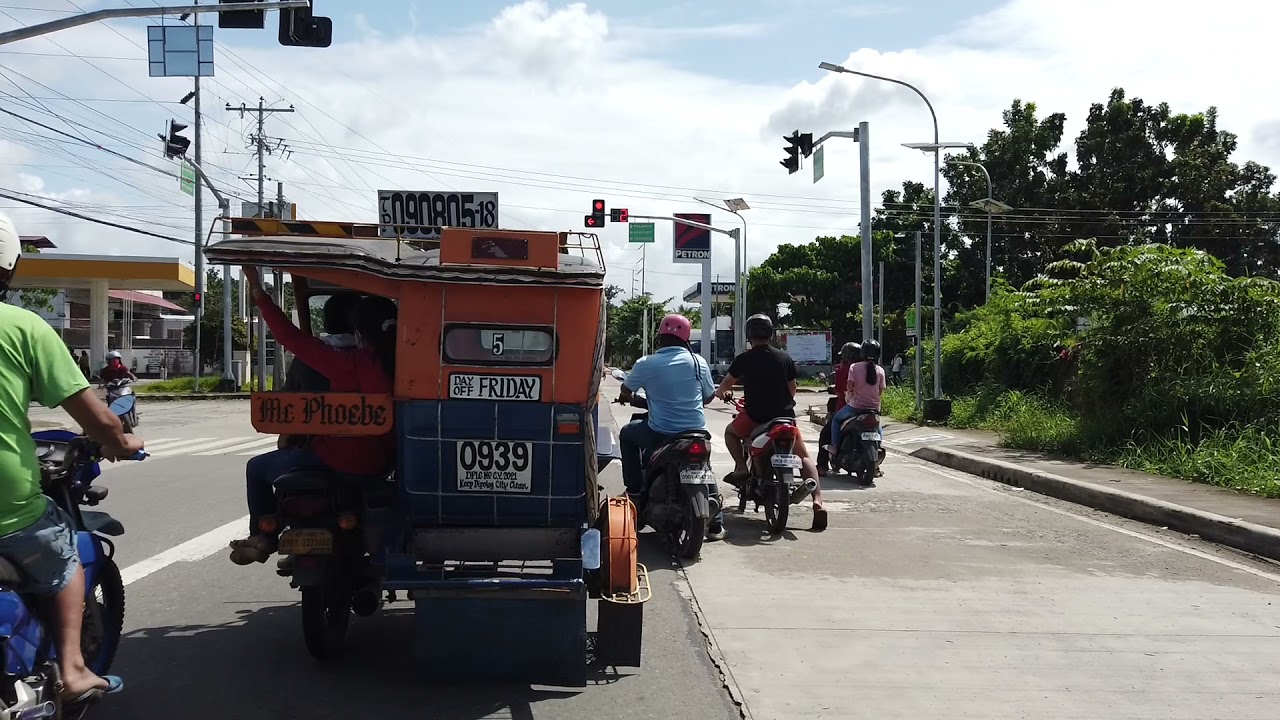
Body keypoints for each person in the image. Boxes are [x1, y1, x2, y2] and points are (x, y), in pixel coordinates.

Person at [0, 215, 142, 705]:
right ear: (10, 268)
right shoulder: (23, 327)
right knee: (63, 552)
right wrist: (122, 442)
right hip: (8, 508)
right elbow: (96, 417)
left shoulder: (113, 366)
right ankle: (75, 669)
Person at [229, 268, 398, 565]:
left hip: (328, 459)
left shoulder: (345, 362)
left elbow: (288, 336)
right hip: (380, 465)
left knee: (256, 468)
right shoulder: (407, 367)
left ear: (358, 332)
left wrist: (258, 290)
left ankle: (261, 536)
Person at [617, 314, 725, 541]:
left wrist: (629, 397)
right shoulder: (699, 362)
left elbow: (626, 391)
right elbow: (707, 397)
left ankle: (634, 491)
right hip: (696, 431)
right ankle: (716, 524)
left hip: (661, 434)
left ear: (659, 338)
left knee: (627, 434)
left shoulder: (646, 363)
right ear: (686, 338)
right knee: (705, 467)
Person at [715, 314, 826, 531]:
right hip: (785, 418)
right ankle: (818, 501)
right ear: (770, 334)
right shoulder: (784, 358)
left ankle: (740, 467)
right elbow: (792, 389)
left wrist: (724, 393)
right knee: (803, 457)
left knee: (730, 432)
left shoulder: (744, 360)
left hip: (755, 418)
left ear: (749, 335)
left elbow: (723, 387)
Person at [277, 292, 361, 450]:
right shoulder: (373, 358)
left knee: (256, 467)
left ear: (327, 323)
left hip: (314, 449)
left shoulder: (307, 358)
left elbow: (288, 405)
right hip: (370, 452)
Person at [826, 339, 887, 477]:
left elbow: (849, 387)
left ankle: (834, 447)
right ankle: (878, 446)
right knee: (878, 427)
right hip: (873, 408)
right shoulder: (881, 371)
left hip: (856, 407)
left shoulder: (854, 367)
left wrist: (851, 395)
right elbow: (880, 391)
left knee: (836, 420)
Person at [818, 342, 859, 474]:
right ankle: (875, 466)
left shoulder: (844, 368)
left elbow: (840, 391)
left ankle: (822, 467)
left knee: (825, 434)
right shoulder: (869, 367)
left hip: (847, 407)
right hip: (869, 407)